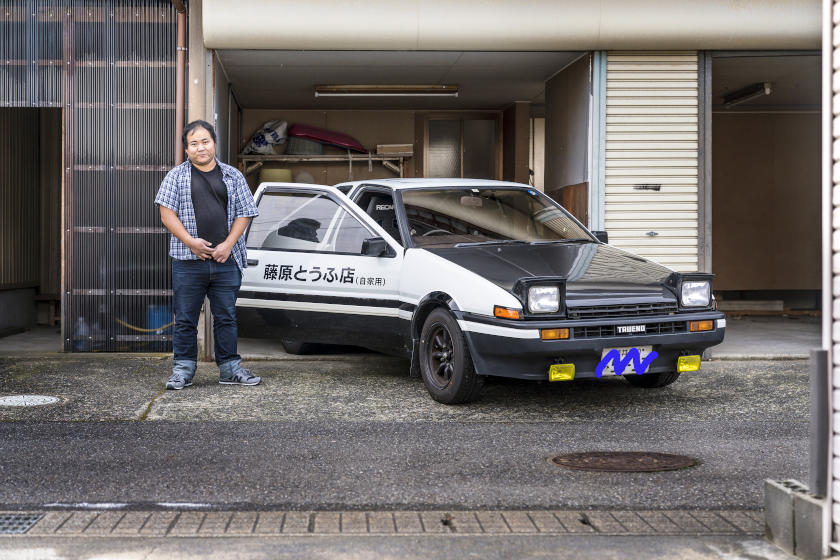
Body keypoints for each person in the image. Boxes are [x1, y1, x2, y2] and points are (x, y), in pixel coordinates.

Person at [154, 120, 261, 389]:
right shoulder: (175, 177)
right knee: (185, 318)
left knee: (226, 316)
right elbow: (167, 214)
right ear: (186, 149)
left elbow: (245, 212)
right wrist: (191, 242)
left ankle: (230, 370)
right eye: (194, 143)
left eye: (205, 141)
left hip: (227, 260)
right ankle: (183, 371)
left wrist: (227, 245)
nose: (200, 147)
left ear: (214, 144)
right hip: (188, 262)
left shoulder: (233, 175)